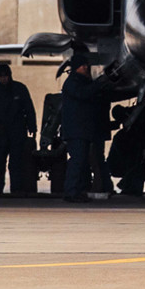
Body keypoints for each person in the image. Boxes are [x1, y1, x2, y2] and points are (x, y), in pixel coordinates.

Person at [0, 63, 37, 194]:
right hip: (1, 133)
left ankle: (16, 188)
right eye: (1, 76)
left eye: (6, 76)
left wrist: (32, 126)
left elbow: (29, 109)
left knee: (16, 163)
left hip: (17, 132)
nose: (4, 79)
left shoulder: (20, 89)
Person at [60, 54, 107, 203]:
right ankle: (71, 191)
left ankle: (78, 190)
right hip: (76, 131)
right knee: (77, 161)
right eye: (82, 65)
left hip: (82, 130)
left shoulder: (82, 81)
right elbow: (83, 94)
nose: (85, 67)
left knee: (81, 162)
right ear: (75, 68)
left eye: (86, 65)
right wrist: (99, 83)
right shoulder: (73, 83)